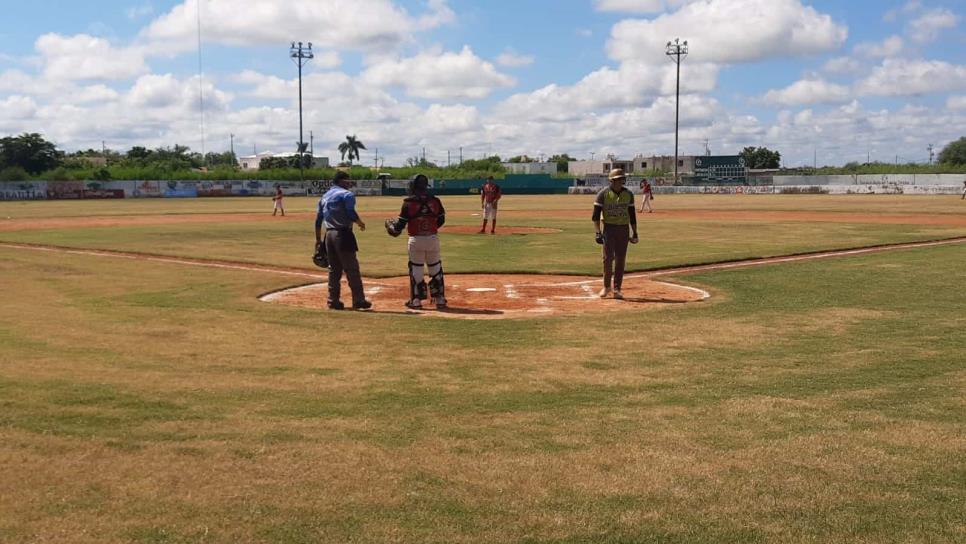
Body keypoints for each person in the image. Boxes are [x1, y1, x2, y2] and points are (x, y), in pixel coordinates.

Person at [385, 174, 447, 310]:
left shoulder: (408, 202)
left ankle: (416, 301)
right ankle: (440, 299)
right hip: (432, 238)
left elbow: (399, 226)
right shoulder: (435, 201)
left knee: (416, 269)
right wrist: (430, 227)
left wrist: (391, 228)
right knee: (435, 267)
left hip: (415, 239)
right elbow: (441, 220)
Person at [315, 171, 371, 310]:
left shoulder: (325, 196)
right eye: (347, 181)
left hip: (328, 235)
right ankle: (358, 300)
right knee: (352, 268)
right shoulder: (347, 195)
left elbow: (318, 220)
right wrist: (359, 222)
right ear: (341, 181)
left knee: (334, 269)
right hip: (343, 234)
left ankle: (332, 300)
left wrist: (318, 240)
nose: (349, 183)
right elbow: (350, 212)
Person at [593, 168, 639, 299]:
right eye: (618, 179)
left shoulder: (628, 194)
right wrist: (597, 232)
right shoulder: (603, 194)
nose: (621, 181)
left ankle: (617, 289)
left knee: (620, 259)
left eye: (622, 179)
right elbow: (595, 216)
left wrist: (635, 232)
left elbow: (632, 215)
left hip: (623, 229)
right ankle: (606, 286)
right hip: (609, 229)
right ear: (612, 181)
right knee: (607, 259)